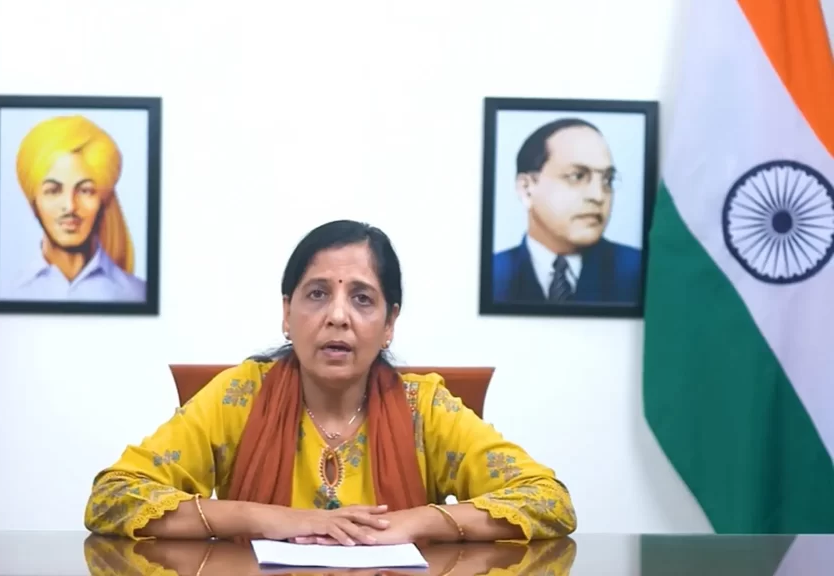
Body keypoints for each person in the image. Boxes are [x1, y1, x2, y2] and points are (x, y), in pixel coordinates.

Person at [84, 220, 576, 545]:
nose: (338, 317)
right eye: (317, 294)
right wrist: (267, 518)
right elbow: (113, 498)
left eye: (362, 299)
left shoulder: (423, 407)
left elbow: (548, 502)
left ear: (389, 323)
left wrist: (417, 522)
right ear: (287, 313)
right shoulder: (240, 396)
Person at [492, 118, 642, 304]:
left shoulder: (639, 271)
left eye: (608, 180)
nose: (598, 196)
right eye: (577, 176)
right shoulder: (492, 275)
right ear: (527, 189)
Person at [6, 115, 146, 303]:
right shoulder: (8, 292)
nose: (70, 206)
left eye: (85, 190)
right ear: (34, 202)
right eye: (53, 190)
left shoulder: (138, 294)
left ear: (103, 200)